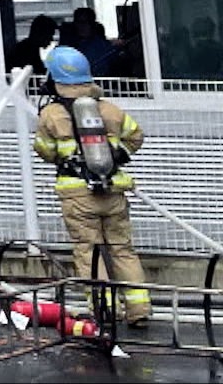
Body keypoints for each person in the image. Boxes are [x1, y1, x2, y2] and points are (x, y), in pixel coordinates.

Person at [33, 46, 149, 326]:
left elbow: (44, 150)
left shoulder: (52, 114)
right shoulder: (110, 110)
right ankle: (139, 310)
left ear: (55, 78)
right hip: (113, 191)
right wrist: (117, 155)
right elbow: (136, 136)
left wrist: (65, 154)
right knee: (122, 249)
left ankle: (105, 311)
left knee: (89, 251)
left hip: (77, 195)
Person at [62, 7, 116, 76]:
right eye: (78, 22)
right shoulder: (66, 46)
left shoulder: (102, 46)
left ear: (92, 24)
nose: (82, 26)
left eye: (85, 22)